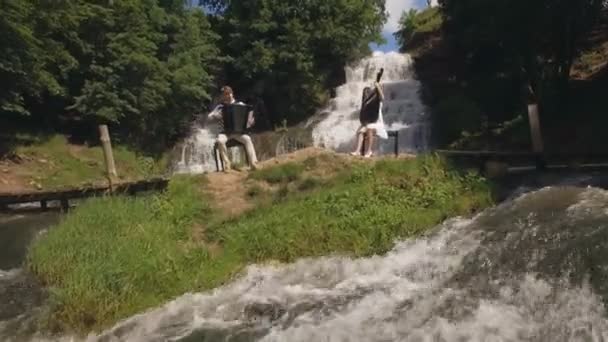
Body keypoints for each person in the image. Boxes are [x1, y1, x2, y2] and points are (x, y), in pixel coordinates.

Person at [207, 86, 258, 171]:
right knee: (220, 141)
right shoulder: (220, 107)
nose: (229, 95)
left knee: (247, 139)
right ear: (223, 96)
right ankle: (227, 163)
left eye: (229, 93)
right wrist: (215, 115)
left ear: (232, 93)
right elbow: (209, 117)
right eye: (226, 94)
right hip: (225, 132)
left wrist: (250, 121)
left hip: (238, 132)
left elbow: (249, 114)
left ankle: (253, 163)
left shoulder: (240, 104)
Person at [351, 81, 388, 157]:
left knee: (369, 129)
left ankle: (369, 151)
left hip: (377, 122)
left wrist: (378, 86)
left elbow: (382, 97)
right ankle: (357, 151)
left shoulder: (378, 100)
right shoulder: (370, 100)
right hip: (370, 121)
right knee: (361, 131)